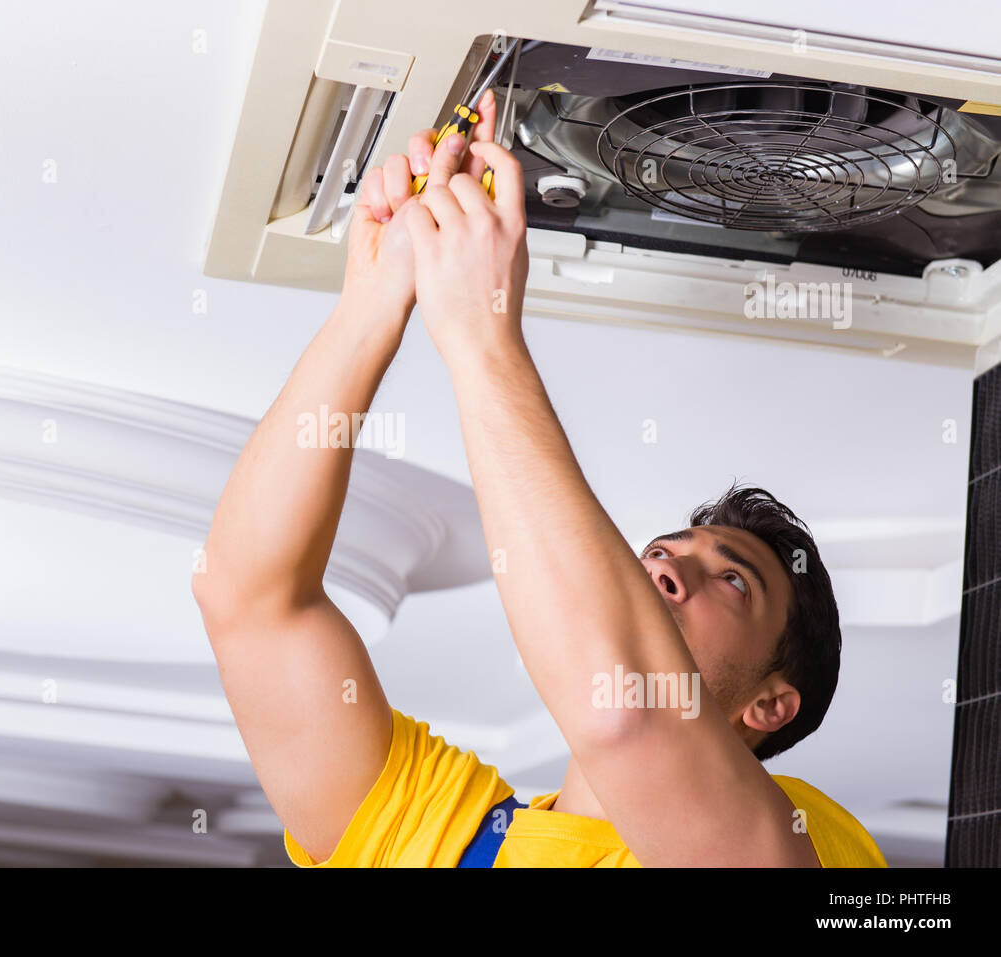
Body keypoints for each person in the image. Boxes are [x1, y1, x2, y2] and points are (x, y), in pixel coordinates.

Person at [192, 88, 886, 867]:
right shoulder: (446, 832)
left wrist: (482, 338)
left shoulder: (797, 841)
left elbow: (626, 711)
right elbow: (250, 600)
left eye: (734, 581)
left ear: (770, 705)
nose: (664, 564)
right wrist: (376, 300)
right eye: (665, 548)